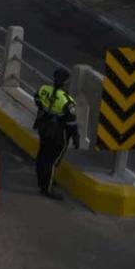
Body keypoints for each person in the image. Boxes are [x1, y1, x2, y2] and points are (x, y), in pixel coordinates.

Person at [33, 68, 79, 200]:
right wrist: (76, 137)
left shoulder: (44, 89)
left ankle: (42, 181)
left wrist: (45, 108)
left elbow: (36, 99)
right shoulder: (67, 101)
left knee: (42, 155)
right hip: (57, 133)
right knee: (52, 160)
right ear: (65, 82)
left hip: (43, 127)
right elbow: (71, 123)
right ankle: (47, 188)